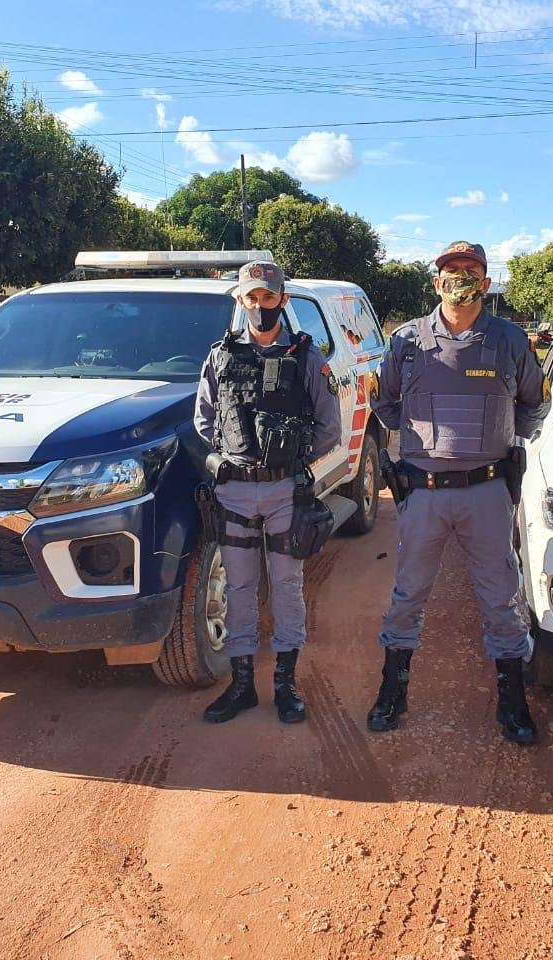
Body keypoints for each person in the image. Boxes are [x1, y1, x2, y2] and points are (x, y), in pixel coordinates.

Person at [368, 241, 549, 744]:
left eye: (470, 271)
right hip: (423, 492)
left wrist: (501, 443)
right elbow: (385, 404)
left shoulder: (511, 341)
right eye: (450, 271)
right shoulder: (405, 341)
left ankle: (512, 703)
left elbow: (532, 407)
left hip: (487, 492)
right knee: (408, 595)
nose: (460, 279)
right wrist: (423, 447)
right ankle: (393, 690)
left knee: (502, 598)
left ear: (486, 283)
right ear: (436, 282)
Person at [194, 260, 342, 724]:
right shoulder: (220, 354)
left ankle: (285, 684)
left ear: (283, 300)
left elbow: (329, 428)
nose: (260, 306)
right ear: (240, 300)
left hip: (284, 493)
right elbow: (204, 420)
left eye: (268, 297)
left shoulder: (306, 356)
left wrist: (290, 459)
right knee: (239, 588)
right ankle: (242, 686)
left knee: (286, 587)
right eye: (251, 297)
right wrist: (236, 457)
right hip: (234, 493)